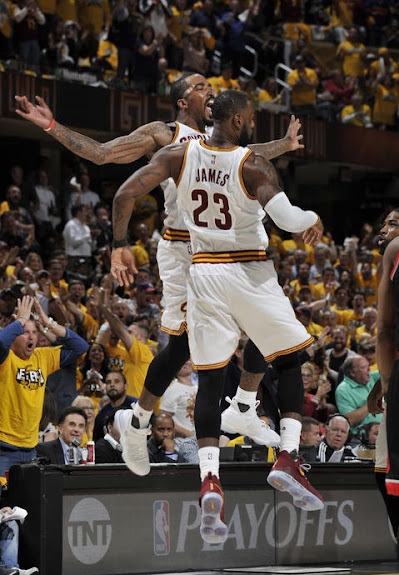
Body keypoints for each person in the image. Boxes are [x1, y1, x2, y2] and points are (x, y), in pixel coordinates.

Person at [15, 73, 304, 479]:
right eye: (203, 85)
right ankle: (136, 425)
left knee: (262, 324)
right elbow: (101, 153)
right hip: (183, 251)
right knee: (184, 346)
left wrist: (284, 146)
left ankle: (242, 407)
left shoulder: (219, 138)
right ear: (184, 101)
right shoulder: (165, 134)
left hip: (223, 253)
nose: (212, 89)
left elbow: (250, 152)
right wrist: (50, 125)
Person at [110, 89, 325, 545]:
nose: (252, 125)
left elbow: (126, 192)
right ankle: (288, 458)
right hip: (247, 271)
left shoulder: (178, 154)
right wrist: (312, 216)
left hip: (203, 272)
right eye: (250, 119)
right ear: (240, 121)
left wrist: (118, 244)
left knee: (208, 380)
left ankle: (210, 480)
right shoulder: (252, 164)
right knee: (287, 359)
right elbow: (286, 218)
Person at [0, 296, 88, 476]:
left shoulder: (43, 357)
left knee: (28, 501)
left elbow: (81, 347)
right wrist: (21, 320)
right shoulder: (5, 358)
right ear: (15, 336)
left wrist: (48, 323)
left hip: (31, 448)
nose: (31, 336)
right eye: (25, 332)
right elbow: (2, 341)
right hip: (4, 447)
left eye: (34, 332)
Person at [374, 208, 399, 497]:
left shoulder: (394, 253)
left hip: (395, 381)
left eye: (392, 224)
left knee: (387, 471)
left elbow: (385, 332)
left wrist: (386, 387)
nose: (384, 230)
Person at [335, 355, 381, 437]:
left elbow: (390, 372)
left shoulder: (371, 378)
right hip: (362, 439)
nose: (369, 370)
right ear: (352, 373)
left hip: (383, 433)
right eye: (363, 368)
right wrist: (372, 402)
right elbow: (349, 420)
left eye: (368, 366)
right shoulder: (343, 390)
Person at [158, 360, 196, 448]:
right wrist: (189, 434)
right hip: (181, 444)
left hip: (199, 443)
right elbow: (163, 420)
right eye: (182, 360)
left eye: (188, 360)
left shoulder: (198, 388)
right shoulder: (172, 390)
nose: (186, 363)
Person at [92, 370, 137, 442]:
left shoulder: (136, 406)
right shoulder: (101, 414)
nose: (112, 385)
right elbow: (97, 442)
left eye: (117, 381)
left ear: (125, 386)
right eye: (108, 382)